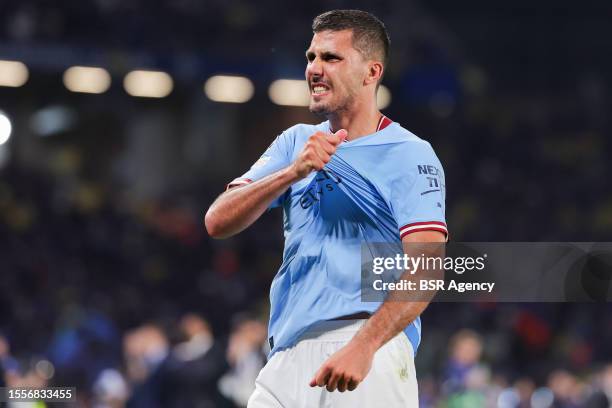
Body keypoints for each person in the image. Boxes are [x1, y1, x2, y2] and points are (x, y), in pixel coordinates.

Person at [205, 9, 447, 407]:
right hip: (284, 353)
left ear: (371, 72)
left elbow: (427, 268)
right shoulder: (295, 141)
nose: (314, 69)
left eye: (331, 58)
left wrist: (365, 346)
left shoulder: (410, 154)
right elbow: (217, 220)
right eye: (311, 57)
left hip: (365, 345)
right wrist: (292, 172)